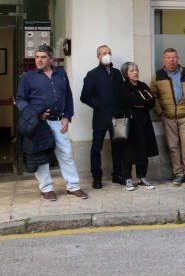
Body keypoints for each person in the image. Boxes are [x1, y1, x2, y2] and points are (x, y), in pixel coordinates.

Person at [16, 45, 88, 201]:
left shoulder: (61, 74)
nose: (39, 60)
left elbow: (68, 97)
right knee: (41, 157)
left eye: (43, 57)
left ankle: (73, 187)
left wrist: (67, 117)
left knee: (66, 154)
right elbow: (20, 100)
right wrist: (34, 114)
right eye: (37, 57)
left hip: (58, 122)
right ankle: (46, 189)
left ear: (51, 59)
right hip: (39, 124)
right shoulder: (28, 77)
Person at [150, 48, 185, 186]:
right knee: (173, 146)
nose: (171, 60)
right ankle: (178, 173)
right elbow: (153, 96)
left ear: (178, 58)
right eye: (168, 57)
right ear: (164, 59)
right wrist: (160, 111)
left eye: (174, 57)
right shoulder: (158, 75)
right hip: (168, 116)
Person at [80, 45, 124, 189]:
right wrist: (97, 105)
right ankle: (97, 177)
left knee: (118, 146)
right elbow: (84, 96)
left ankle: (117, 174)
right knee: (96, 148)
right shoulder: (92, 74)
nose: (107, 55)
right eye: (104, 53)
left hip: (117, 117)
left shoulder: (117, 73)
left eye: (109, 53)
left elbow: (122, 93)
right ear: (98, 56)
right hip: (100, 117)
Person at [117, 62, 159, 191]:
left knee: (144, 150)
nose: (135, 72)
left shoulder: (142, 85)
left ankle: (142, 177)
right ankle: (127, 178)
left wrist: (140, 103)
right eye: (132, 70)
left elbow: (151, 101)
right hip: (129, 123)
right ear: (126, 73)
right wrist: (140, 103)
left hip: (143, 123)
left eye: (136, 69)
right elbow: (132, 101)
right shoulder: (123, 87)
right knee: (128, 151)